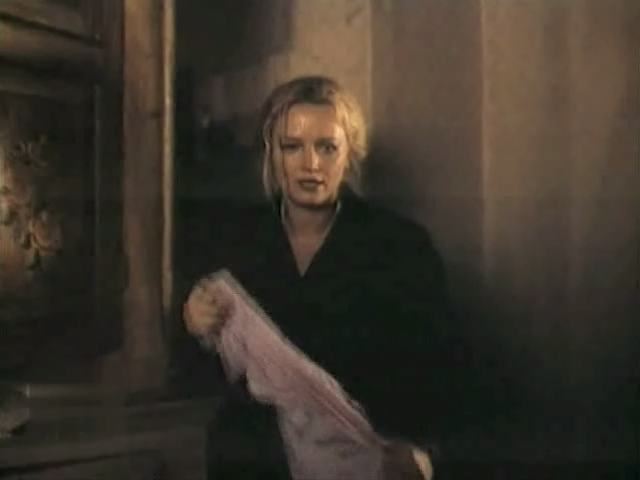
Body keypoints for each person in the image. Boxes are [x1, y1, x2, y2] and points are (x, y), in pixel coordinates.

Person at [177, 75, 462, 479]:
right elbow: (201, 376)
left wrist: (422, 452)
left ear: (350, 153)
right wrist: (193, 323)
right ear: (272, 153)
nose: (310, 164)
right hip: (257, 462)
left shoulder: (401, 246)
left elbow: (443, 370)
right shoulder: (234, 241)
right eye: (292, 146)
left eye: (326, 147)